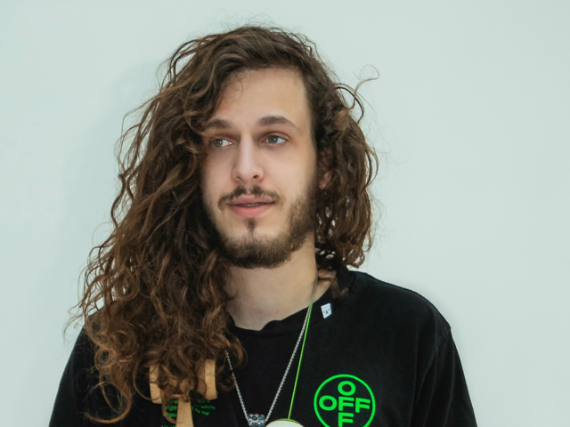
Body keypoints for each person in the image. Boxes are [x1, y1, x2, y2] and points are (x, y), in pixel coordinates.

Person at [49, 25, 477, 427]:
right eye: (220, 141)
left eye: (274, 137)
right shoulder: (116, 349)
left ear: (325, 164)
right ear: (191, 168)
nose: (245, 168)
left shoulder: (408, 335)